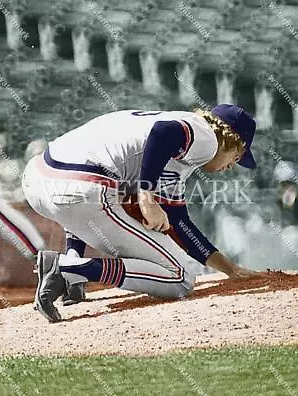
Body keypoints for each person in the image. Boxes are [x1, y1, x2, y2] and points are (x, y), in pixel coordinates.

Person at [22, 104, 265, 323]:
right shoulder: (207, 138)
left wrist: (229, 268)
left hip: (37, 180)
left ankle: (72, 265)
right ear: (231, 139)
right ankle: (67, 268)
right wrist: (146, 195)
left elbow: (179, 223)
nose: (233, 165)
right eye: (239, 155)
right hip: (79, 186)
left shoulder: (174, 150)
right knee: (180, 278)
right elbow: (163, 132)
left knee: (122, 191)